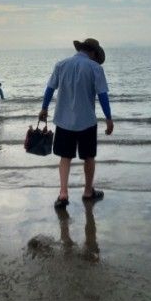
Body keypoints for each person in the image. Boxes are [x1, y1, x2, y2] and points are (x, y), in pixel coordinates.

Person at [38, 38, 114, 209]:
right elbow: (103, 95)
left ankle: (63, 194)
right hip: (87, 120)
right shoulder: (95, 68)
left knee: (65, 157)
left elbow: (50, 88)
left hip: (64, 120)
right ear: (93, 53)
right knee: (88, 156)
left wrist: (44, 108)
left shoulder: (61, 65)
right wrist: (108, 118)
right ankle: (88, 191)